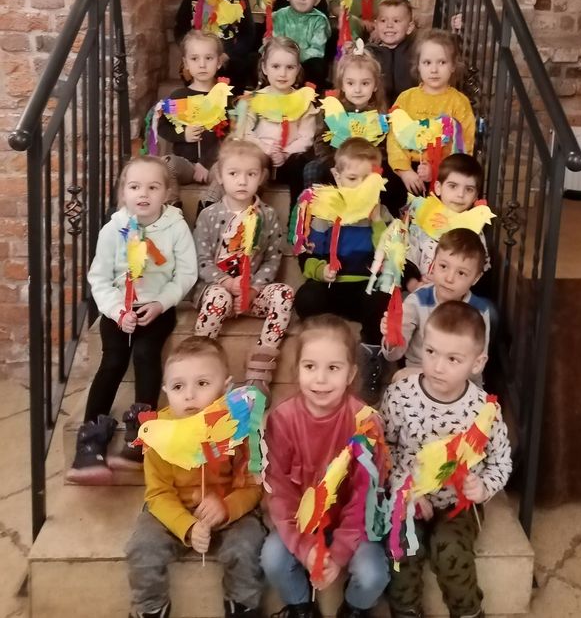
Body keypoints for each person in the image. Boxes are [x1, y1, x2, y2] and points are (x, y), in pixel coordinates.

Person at [67, 157, 197, 484]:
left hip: (156, 307)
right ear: (123, 192)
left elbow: (186, 274)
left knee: (145, 354)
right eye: (135, 186)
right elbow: (99, 279)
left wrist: (161, 303)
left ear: (166, 192)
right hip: (119, 309)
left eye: (153, 187)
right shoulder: (114, 230)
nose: (143, 194)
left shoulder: (176, 227)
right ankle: (90, 442)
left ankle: (141, 434)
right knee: (112, 361)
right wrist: (117, 311)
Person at [381, 303, 512, 618]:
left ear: (477, 363)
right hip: (409, 496)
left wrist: (484, 487)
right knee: (402, 544)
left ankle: (467, 612)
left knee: (450, 549)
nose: (438, 367)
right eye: (431, 352)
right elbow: (383, 451)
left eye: (453, 359)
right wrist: (404, 490)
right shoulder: (399, 396)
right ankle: (405, 610)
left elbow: (501, 461)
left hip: (459, 504)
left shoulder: (484, 409)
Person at [125, 336, 265, 618]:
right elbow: (158, 494)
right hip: (173, 508)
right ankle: (151, 609)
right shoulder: (159, 433)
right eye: (178, 387)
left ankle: (242, 605)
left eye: (202, 383)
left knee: (247, 544)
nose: (189, 395)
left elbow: (251, 485)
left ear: (225, 387)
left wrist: (226, 507)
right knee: (142, 546)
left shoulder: (239, 428)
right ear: (166, 390)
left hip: (228, 508)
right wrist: (186, 526)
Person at [261, 315, 390, 618]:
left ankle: (354, 609)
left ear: (350, 373)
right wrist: (306, 548)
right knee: (272, 558)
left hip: (355, 524)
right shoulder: (282, 420)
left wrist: (340, 552)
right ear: (297, 370)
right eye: (310, 367)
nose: (320, 379)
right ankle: (301, 607)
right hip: (302, 523)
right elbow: (280, 493)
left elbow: (365, 497)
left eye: (333, 368)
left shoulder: (365, 423)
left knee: (372, 574)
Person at [192, 138, 294, 397]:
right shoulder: (209, 215)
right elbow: (201, 260)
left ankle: (259, 373)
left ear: (261, 177)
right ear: (220, 176)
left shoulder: (267, 216)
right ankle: (200, 367)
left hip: (252, 293)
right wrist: (228, 283)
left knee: (284, 293)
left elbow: (272, 259)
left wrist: (254, 289)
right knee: (218, 297)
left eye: (251, 174)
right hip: (217, 292)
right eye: (233, 174)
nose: (242, 181)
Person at [293, 138, 392, 402]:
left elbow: (390, 256)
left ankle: (371, 359)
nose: (359, 186)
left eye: (367, 180)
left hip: (365, 288)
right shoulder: (325, 211)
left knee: (382, 298)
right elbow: (308, 257)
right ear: (337, 177)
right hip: (332, 287)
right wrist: (320, 269)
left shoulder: (381, 212)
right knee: (306, 296)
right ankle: (314, 353)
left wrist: (377, 222)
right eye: (352, 178)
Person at [304, 46, 405, 216]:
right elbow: (321, 140)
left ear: (375, 85)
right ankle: (312, 216)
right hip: (337, 161)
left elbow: (384, 145)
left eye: (365, 83)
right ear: (342, 85)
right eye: (351, 83)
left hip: (369, 164)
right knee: (312, 168)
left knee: (391, 177)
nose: (357, 90)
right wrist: (335, 162)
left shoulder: (380, 114)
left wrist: (370, 164)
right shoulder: (332, 109)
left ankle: (387, 221)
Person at [380, 229, 491, 378]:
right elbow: (393, 356)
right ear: (433, 264)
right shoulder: (417, 300)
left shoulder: (480, 311)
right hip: (420, 372)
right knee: (400, 377)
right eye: (443, 266)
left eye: (461, 273)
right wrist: (392, 338)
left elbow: (477, 366)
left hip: (460, 378)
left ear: (476, 278)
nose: (449, 278)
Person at [387, 29, 476, 196]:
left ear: (452, 66)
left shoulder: (459, 102)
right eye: (427, 63)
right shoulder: (406, 98)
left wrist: (438, 170)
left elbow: (465, 144)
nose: (434, 70)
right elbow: (394, 138)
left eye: (441, 62)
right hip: (408, 171)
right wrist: (405, 171)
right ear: (418, 66)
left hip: (444, 174)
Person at [156, 31, 236, 199]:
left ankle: (209, 207)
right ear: (186, 63)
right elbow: (163, 126)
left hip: (213, 165)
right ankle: (173, 207)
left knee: (229, 171)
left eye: (209, 58)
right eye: (194, 59)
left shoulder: (225, 97)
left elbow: (229, 136)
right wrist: (183, 134)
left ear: (219, 62)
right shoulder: (178, 96)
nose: (202, 65)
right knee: (166, 165)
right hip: (184, 163)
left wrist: (206, 163)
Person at [240, 36, 317, 209]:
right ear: (264, 68)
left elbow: (307, 136)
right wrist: (267, 150)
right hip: (261, 155)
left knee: (301, 167)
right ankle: (249, 212)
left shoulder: (303, 100)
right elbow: (245, 131)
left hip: (289, 159)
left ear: (298, 69)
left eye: (290, 67)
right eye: (276, 66)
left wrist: (286, 153)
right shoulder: (255, 99)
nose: (283, 74)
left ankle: (295, 217)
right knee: (248, 163)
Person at [404, 153, 489, 291]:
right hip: (421, 290)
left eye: (469, 189)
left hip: (456, 296)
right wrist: (414, 284)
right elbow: (407, 258)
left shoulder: (474, 229)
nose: (460, 194)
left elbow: (480, 274)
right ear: (438, 188)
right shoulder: (423, 219)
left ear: (475, 196)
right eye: (453, 186)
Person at [271, 0, 331, 88]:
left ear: (317, 0)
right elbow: (276, 42)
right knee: (259, 58)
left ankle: (308, 92)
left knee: (317, 65)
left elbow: (317, 50)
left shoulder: (319, 20)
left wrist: (294, 58)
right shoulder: (279, 16)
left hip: (305, 64)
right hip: (281, 62)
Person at [367, 0, 417, 105]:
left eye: (396, 21)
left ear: (409, 28)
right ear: (376, 25)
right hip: (377, 110)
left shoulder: (417, 53)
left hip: (410, 109)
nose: (389, 25)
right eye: (383, 20)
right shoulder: (369, 54)